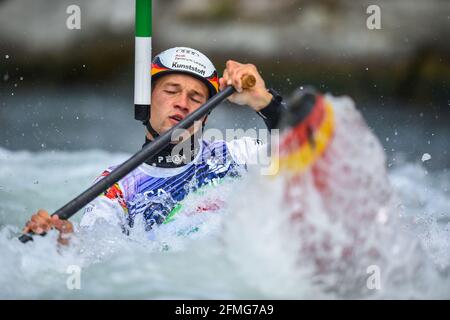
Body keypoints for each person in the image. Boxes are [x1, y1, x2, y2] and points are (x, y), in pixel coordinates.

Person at [22, 46, 285, 244]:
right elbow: (94, 261)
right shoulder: (117, 190)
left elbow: (312, 153)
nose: (182, 103)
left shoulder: (238, 154)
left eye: (196, 98)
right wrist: (61, 240)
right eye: (171, 91)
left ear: (206, 114)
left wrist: (264, 102)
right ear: (146, 101)